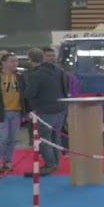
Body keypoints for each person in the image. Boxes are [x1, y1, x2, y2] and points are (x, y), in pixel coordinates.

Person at [24, 48, 69, 176]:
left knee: (44, 139)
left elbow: (30, 93)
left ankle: (50, 164)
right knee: (56, 137)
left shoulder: (36, 75)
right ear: (43, 58)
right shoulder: (59, 71)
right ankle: (56, 162)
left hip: (45, 111)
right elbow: (65, 88)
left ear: (30, 60)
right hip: (60, 109)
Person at [0, 53, 25, 174]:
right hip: (0, 113)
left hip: (16, 111)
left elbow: (24, 95)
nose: (15, 64)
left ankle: (8, 162)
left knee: (12, 139)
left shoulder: (20, 76)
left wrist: (26, 111)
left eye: (16, 61)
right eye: (12, 61)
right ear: (3, 63)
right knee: (2, 138)